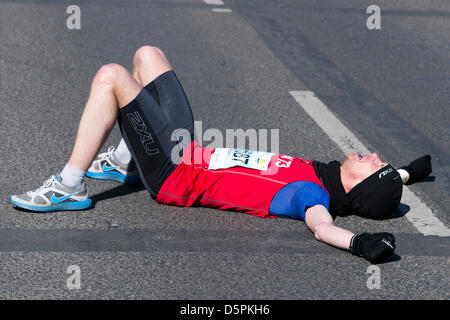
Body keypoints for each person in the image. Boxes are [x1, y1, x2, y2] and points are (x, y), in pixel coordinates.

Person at [9, 46, 432, 264]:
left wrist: (360, 243)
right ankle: (123, 163)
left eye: (377, 165)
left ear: (361, 184)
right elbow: (379, 185)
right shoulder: (326, 175)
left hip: (173, 173)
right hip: (184, 150)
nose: (375, 155)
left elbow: (322, 229)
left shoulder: (311, 194)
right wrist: (407, 174)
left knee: (111, 77)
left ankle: (69, 186)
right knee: (147, 56)